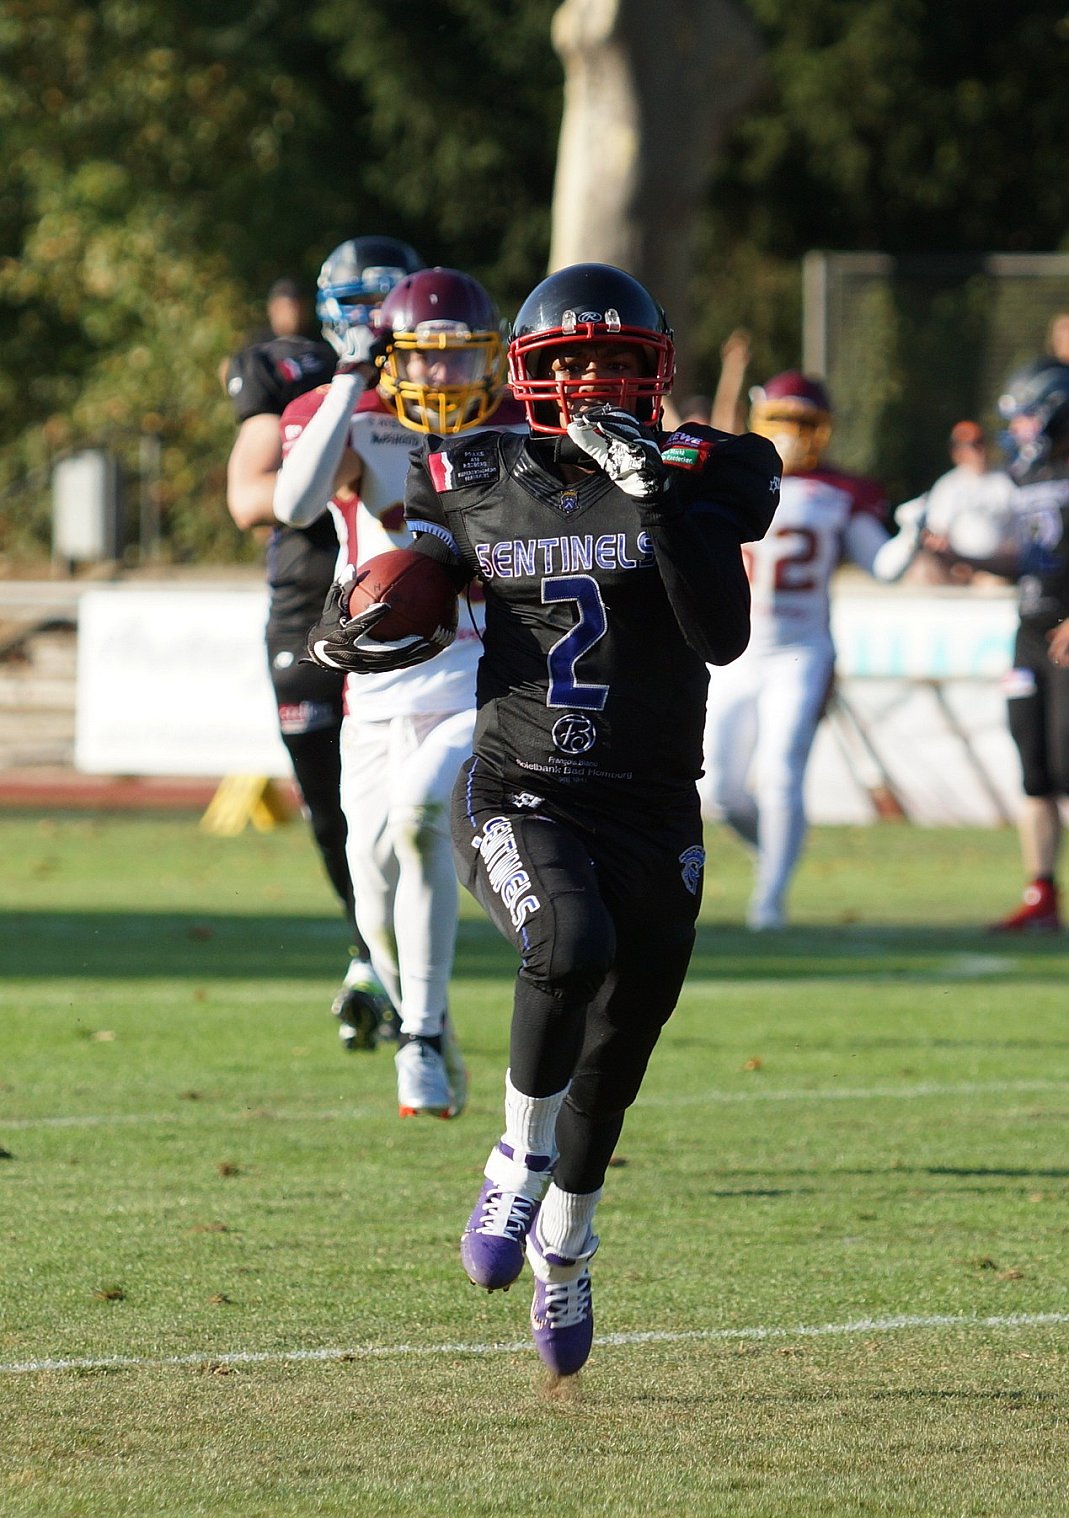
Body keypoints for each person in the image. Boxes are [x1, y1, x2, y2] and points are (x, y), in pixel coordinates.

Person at [303, 261, 781, 1378]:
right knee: (569, 942)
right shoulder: (473, 469)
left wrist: (654, 495)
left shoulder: (715, 466)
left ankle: (567, 1244)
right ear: (532, 375)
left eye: (616, 359)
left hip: (651, 798)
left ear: (653, 369)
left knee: (620, 1047)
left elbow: (719, 636)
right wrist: (358, 614)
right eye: (572, 361)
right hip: (522, 783)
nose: (594, 380)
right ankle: (515, 1160)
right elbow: (417, 572)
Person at [274, 265, 525, 1118]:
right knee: (372, 893)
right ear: (393, 356)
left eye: (460, 356)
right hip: (376, 686)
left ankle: (416, 1035)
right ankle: (433, 1027)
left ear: (491, 357)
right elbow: (293, 502)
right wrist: (350, 379)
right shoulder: (351, 414)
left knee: (421, 821)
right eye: (423, 354)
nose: (440, 373)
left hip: (478, 676)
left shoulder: (518, 429)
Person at [225, 235, 424, 1047]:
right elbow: (250, 498)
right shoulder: (295, 376)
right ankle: (371, 954)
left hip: (418, 607)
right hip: (313, 604)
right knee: (335, 811)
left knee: (420, 805)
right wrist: (346, 446)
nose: (373, 319)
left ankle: (405, 975)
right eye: (358, 302)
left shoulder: (451, 382)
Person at [697, 371, 924, 930]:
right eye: (782, 420)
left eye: (803, 423)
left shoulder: (841, 490)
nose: (792, 435)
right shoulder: (731, 474)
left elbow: (883, 567)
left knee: (781, 773)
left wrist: (914, 530)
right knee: (718, 788)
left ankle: (769, 901)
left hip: (800, 652)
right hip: (733, 652)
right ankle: (775, 852)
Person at [924, 359, 1069, 933]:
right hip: (1031, 633)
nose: (1021, 429)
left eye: (1030, 417)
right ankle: (1041, 894)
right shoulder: (1027, 477)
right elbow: (1030, 561)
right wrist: (962, 556)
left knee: (1067, 766)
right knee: (1035, 771)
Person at [892, 420, 1015, 586]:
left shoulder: (1005, 481)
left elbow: (1019, 531)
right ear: (957, 452)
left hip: (996, 565)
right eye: (970, 446)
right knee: (921, 572)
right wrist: (951, 557)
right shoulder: (948, 485)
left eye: (979, 444)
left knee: (993, 585)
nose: (977, 451)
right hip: (956, 565)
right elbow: (937, 533)